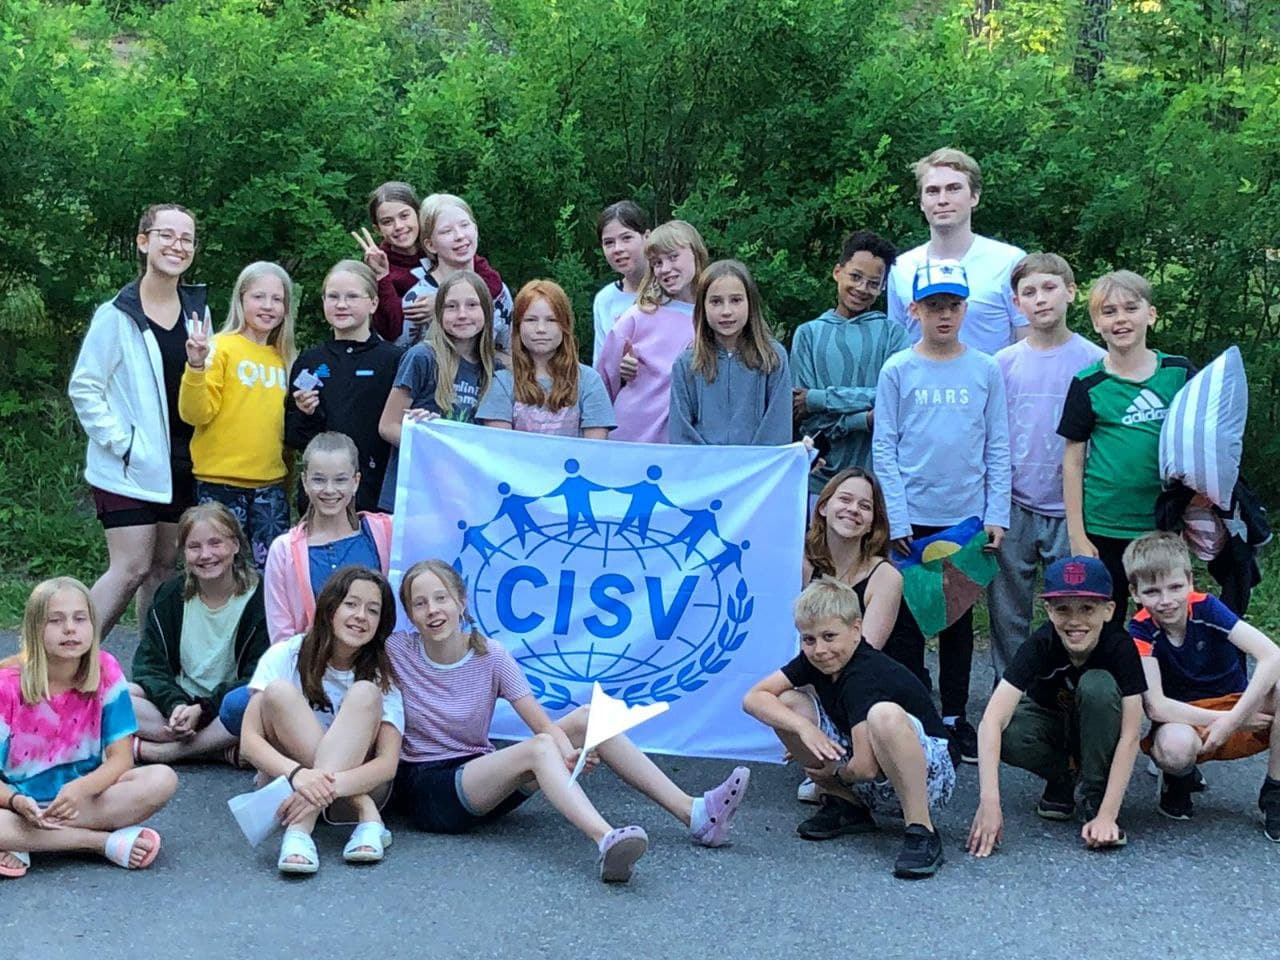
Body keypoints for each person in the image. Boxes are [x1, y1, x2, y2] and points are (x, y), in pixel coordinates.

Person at [389, 559, 750, 884]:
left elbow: (541, 724)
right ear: (409, 614)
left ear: (460, 602)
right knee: (541, 748)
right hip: (429, 790)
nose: (432, 610)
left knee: (587, 719)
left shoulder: (491, 655)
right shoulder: (397, 651)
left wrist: (568, 752)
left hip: (484, 779)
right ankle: (605, 838)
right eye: (419, 604)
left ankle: (696, 813)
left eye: (441, 598)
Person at [872, 259, 1010, 763]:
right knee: (907, 619)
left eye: (952, 306)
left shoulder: (985, 368)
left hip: (965, 519)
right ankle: (917, 711)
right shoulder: (898, 369)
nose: (944, 316)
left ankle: (955, 716)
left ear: (965, 308)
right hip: (912, 519)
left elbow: (998, 445)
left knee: (956, 621)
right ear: (915, 310)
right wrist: (898, 518)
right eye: (933, 306)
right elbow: (884, 446)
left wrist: (997, 514)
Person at [742, 578, 954, 879]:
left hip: (930, 774)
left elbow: (865, 768)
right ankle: (847, 804)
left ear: (856, 629)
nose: (819, 650)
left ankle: (921, 829)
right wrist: (804, 728)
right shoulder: (816, 660)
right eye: (809, 639)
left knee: (884, 715)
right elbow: (753, 698)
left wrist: (834, 773)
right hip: (868, 766)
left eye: (829, 636)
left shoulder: (864, 672)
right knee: (787, 703)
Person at [68, 203, 207, 636]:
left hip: (182, 463)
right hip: (127, 468)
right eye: (166, 235)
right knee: (130, 568)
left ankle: (147, 675)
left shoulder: (197, 313)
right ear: (143, 241)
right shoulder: (116, 315)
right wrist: (123, 443)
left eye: (186, 238)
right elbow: (85, 387)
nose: (176, 245)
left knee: (162, 571)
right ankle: (58, 664)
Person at [966, 557, 1145, 857]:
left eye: (1087, 608)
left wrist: (1108, 815)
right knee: (1009, 730)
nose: (1075, 621)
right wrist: (989, 802)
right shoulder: (1041, 644)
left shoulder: (1120, 648)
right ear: (1048, 611)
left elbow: (1130, 736)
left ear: (1108, 610)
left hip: (1100, 734)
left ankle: (1095, 793)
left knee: (1097, 685)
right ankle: (1063, 778)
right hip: (1057, 730)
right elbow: (990, 722)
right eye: (1063, 608)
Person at [0, 578, 177, 879]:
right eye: (55, 621)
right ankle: (97, 842)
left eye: (79, 619)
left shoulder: (105, 669)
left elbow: (121, 759)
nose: (70, 628)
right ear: (35, 629)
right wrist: (16, 801)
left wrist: (81, 789)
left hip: (84, 800)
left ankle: (30, 842)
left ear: (93, 626)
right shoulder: (7, 684)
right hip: (18, 805)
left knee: (162, 778)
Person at [239, 566, 404, 875]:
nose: (360, 616)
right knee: (278, 692)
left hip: (353, 786)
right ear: (331, 607)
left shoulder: (384, 677)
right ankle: (366, 815)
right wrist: (299, 775)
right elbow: (249, 742)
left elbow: (387, 764)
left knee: (366, 693)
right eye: (351, 604)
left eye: (373, 610)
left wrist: (321, 785)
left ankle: (300, 829)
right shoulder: (285, 655)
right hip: (289, 782)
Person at [987, 254, 1105, 676]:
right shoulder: (1002, 364)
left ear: (1071, 292)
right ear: (1017, 304)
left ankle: (1067, 689)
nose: (1040, 299)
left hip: (1072, 509)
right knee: (1008, 613)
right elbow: (993, 440)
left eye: (1050, 288)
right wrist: (994, 507)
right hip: (1015, 505)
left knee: (1073, 607)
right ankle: (1010, 695)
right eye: (1029, 293)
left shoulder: (1095, 361)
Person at [1058, 270, 1195, 625]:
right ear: (1096, 323)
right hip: (1105, 524)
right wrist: (1077, 533)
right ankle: (1112, 681)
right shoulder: (1088, 384)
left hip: (1162, 524)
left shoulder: (1179, 373)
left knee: (1165, 615)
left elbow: (1206, 442)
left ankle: (1163, 681)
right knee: (1106, 620)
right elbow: (1072, 460)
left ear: (1150, 314)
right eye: (1109, 312)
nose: (1121, 319)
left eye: (1130, 308)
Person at [1123, 532, 1280, 837]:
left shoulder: (1206, 608)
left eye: (1175, 587)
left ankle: (1275, 792)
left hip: (1235, 703)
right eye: (1152, 591)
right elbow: (1156, 706)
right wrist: (1227, 722)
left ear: (1190, 582)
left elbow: (1272, 655)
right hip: (1185, 717)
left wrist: (1234, 719)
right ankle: (1178, 777)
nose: (1166, 601)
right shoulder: (1140, 631)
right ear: (1135, 593)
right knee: (1174, 748)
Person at [129, 503, 268, 764]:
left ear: (236, 545)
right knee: (111, 695)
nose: (206, 555)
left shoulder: (261, 598)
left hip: (224, 710)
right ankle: (217, 749)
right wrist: (177, 706)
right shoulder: (171, 594)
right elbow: (149, 666)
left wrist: (202, 710)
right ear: (183, 553)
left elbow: (260, 674)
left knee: (257, 700)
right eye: (194, 547)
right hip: (177, 706)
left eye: (216, 543)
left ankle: (165, 752)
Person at [179, 261, 296, 569]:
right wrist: (195, 365)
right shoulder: (220, 347)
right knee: (219, 570)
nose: (268, 306)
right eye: (259, 297)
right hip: (219, 483)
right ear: (241, 299)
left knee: (269, 573)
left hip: (270, 486)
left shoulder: (285, 358)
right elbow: (194, 413)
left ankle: (262, 621)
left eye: (277, 299)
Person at [792, 230, 910, 492]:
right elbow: (805, 416)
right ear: (837, 272)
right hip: (817, 476)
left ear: (882, 287)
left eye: (873, 282)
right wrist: (864, 419)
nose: (861, 288)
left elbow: (894, 400)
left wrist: (819, 399)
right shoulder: (808, 335)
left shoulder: (893, 335)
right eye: (855, 277)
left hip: (877, 477)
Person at [285, 259, 402, 513]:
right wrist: (306, 413)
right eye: (333, 296)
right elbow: (294, 437)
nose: (341, 304)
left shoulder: (394, 361)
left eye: (352, 296)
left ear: (373, 303)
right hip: (322, 500)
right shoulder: (310, 362)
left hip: (378, 497)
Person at [377, 270, 499, 511]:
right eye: (451, 306)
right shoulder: (422, 357)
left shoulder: (495, 370)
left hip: (463, 496)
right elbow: (388, 425)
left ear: (486, 310)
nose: (462, 314)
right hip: (416, 491)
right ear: (439, 314)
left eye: (472, 305)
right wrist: (423, 438)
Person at [886, 148, 1026, 354]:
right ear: (921, 203)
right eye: (933, 191)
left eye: (953, 188)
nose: (942, 200)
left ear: (974, 197)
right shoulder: (901, 268)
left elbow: (1028, 346)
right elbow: (896, 347)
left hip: (989, 385)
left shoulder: (1009, 261)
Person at [265, 432, 393, 643]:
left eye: (341, 480)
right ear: (304, 482)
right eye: (319, 480)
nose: (329, 490)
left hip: (375, 667)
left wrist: (424, 431)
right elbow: (281, 637)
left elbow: (433, 511)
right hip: (311, 667)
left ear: (356, 481)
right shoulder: (283, 550)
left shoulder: (385, 532)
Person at [596, 220, 709, 442]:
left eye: (673, 257)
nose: (665, 268)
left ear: (696, 253)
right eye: (657, 262)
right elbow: (603, 380)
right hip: (633, 437)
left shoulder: (714, 317)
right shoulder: (638, 316)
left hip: (688, 444)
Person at [668, 259, 791, 445]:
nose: (726, 311)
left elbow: (777, 427)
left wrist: (753, 466)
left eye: (736, 300)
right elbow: (681, 432)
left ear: (750, 303)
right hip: (705, 470)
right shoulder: (687, 364)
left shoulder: (772, 358)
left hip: (759, 469)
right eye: (716, 302)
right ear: (703, 308)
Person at [476, 279, 615, 437]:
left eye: (551, 320)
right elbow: (498, 450)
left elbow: (595, 451)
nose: (541, 329)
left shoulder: (589, 381)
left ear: (565, 326)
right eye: (531, 320)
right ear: (518, 327)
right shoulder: (501, 382)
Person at [399, 193, 514, 351]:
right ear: (430, 245)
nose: (460, 236)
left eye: (465, 225)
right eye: (446, 231)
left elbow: (510, 350)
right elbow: (402, 360)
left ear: (475, 229)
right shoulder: (417, 300)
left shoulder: (499, 292)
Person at [351, 181, 435, 344]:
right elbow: (391, 331)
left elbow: (489, 287)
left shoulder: (439, 249)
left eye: (404, 216)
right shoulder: (379, 265)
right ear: (378, 229)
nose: (398, 226)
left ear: (419, 214)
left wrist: (442, 305)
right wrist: (382, 277)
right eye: (387, 222)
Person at [592, 201, 650, 364]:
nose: (618, 249)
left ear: (646, 237)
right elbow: (601, 366)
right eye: (609, 242)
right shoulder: (605, 300)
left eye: (626, 238)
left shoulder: (671, 290)